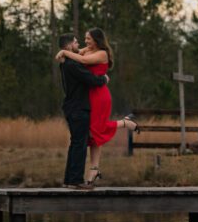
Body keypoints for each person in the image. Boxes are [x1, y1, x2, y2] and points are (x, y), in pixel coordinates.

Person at [56, 28, 138, 187]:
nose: (82, 42)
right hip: (83, 102)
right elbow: (88, 73)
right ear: (69, 45)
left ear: (96, 39)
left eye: (87, 38)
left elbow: (85, 62)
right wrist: (102, 79)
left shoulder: (98, 54)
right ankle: (77, 177)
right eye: (78, 40)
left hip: (97, 97)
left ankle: (81, 175)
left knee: (88, 135)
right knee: (83, 139)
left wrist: (64, 53)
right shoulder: (75, 61)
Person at [57, 33, 110, 190]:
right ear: (68, 46)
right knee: (79, 145)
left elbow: (83, 53)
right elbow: (91, 80)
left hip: (71, 107)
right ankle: (76, 180)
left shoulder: (66, 63)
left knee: (75, 144)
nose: (78, 44)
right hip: (79, 108)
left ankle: (69, 180)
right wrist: (104, 79)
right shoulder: (73, 65)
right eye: (75, 42)